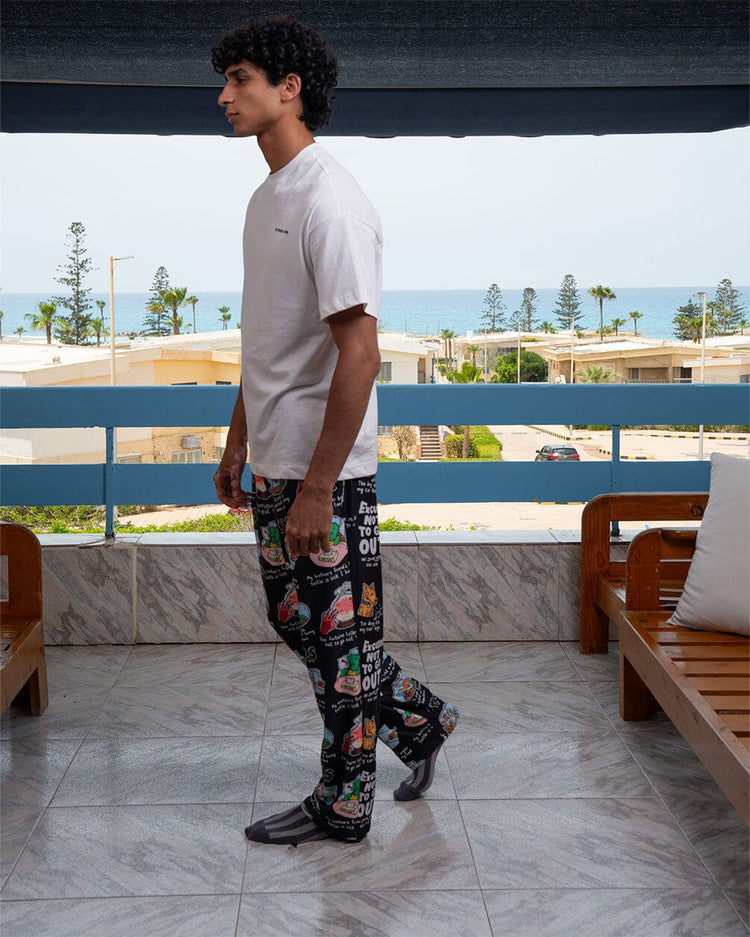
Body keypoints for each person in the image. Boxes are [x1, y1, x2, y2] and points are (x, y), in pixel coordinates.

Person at [211, 14, 460, 846]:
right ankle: (419, 717)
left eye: (239, 80)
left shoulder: (332, 200)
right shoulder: (266, 198)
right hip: (275, 458)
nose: (224, 96)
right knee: (304, 625)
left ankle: (344, 801)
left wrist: (320, 484)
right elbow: (269, 340)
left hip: (329, 476)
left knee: (340, 645)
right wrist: (238, 439)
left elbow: (361, 352)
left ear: (290, 89)